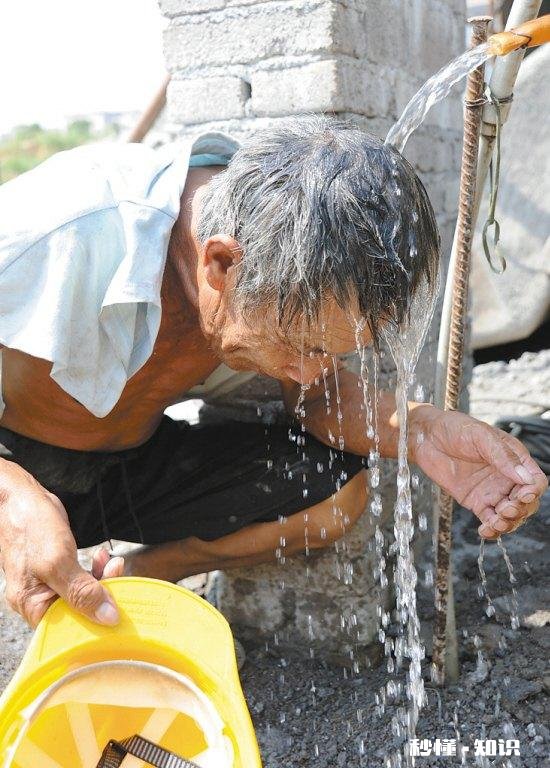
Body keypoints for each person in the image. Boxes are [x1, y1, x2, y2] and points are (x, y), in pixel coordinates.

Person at [0, 117, 546, 630]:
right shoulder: (59, 234)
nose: (310, 372)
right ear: (220, 263)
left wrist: (423, 431)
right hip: (17, 463)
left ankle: (140, 577)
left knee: (334, 493)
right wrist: (12, 500)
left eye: (330, 351)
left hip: (130, 461)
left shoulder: (286, 253)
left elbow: (321, 398)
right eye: (301, 346)